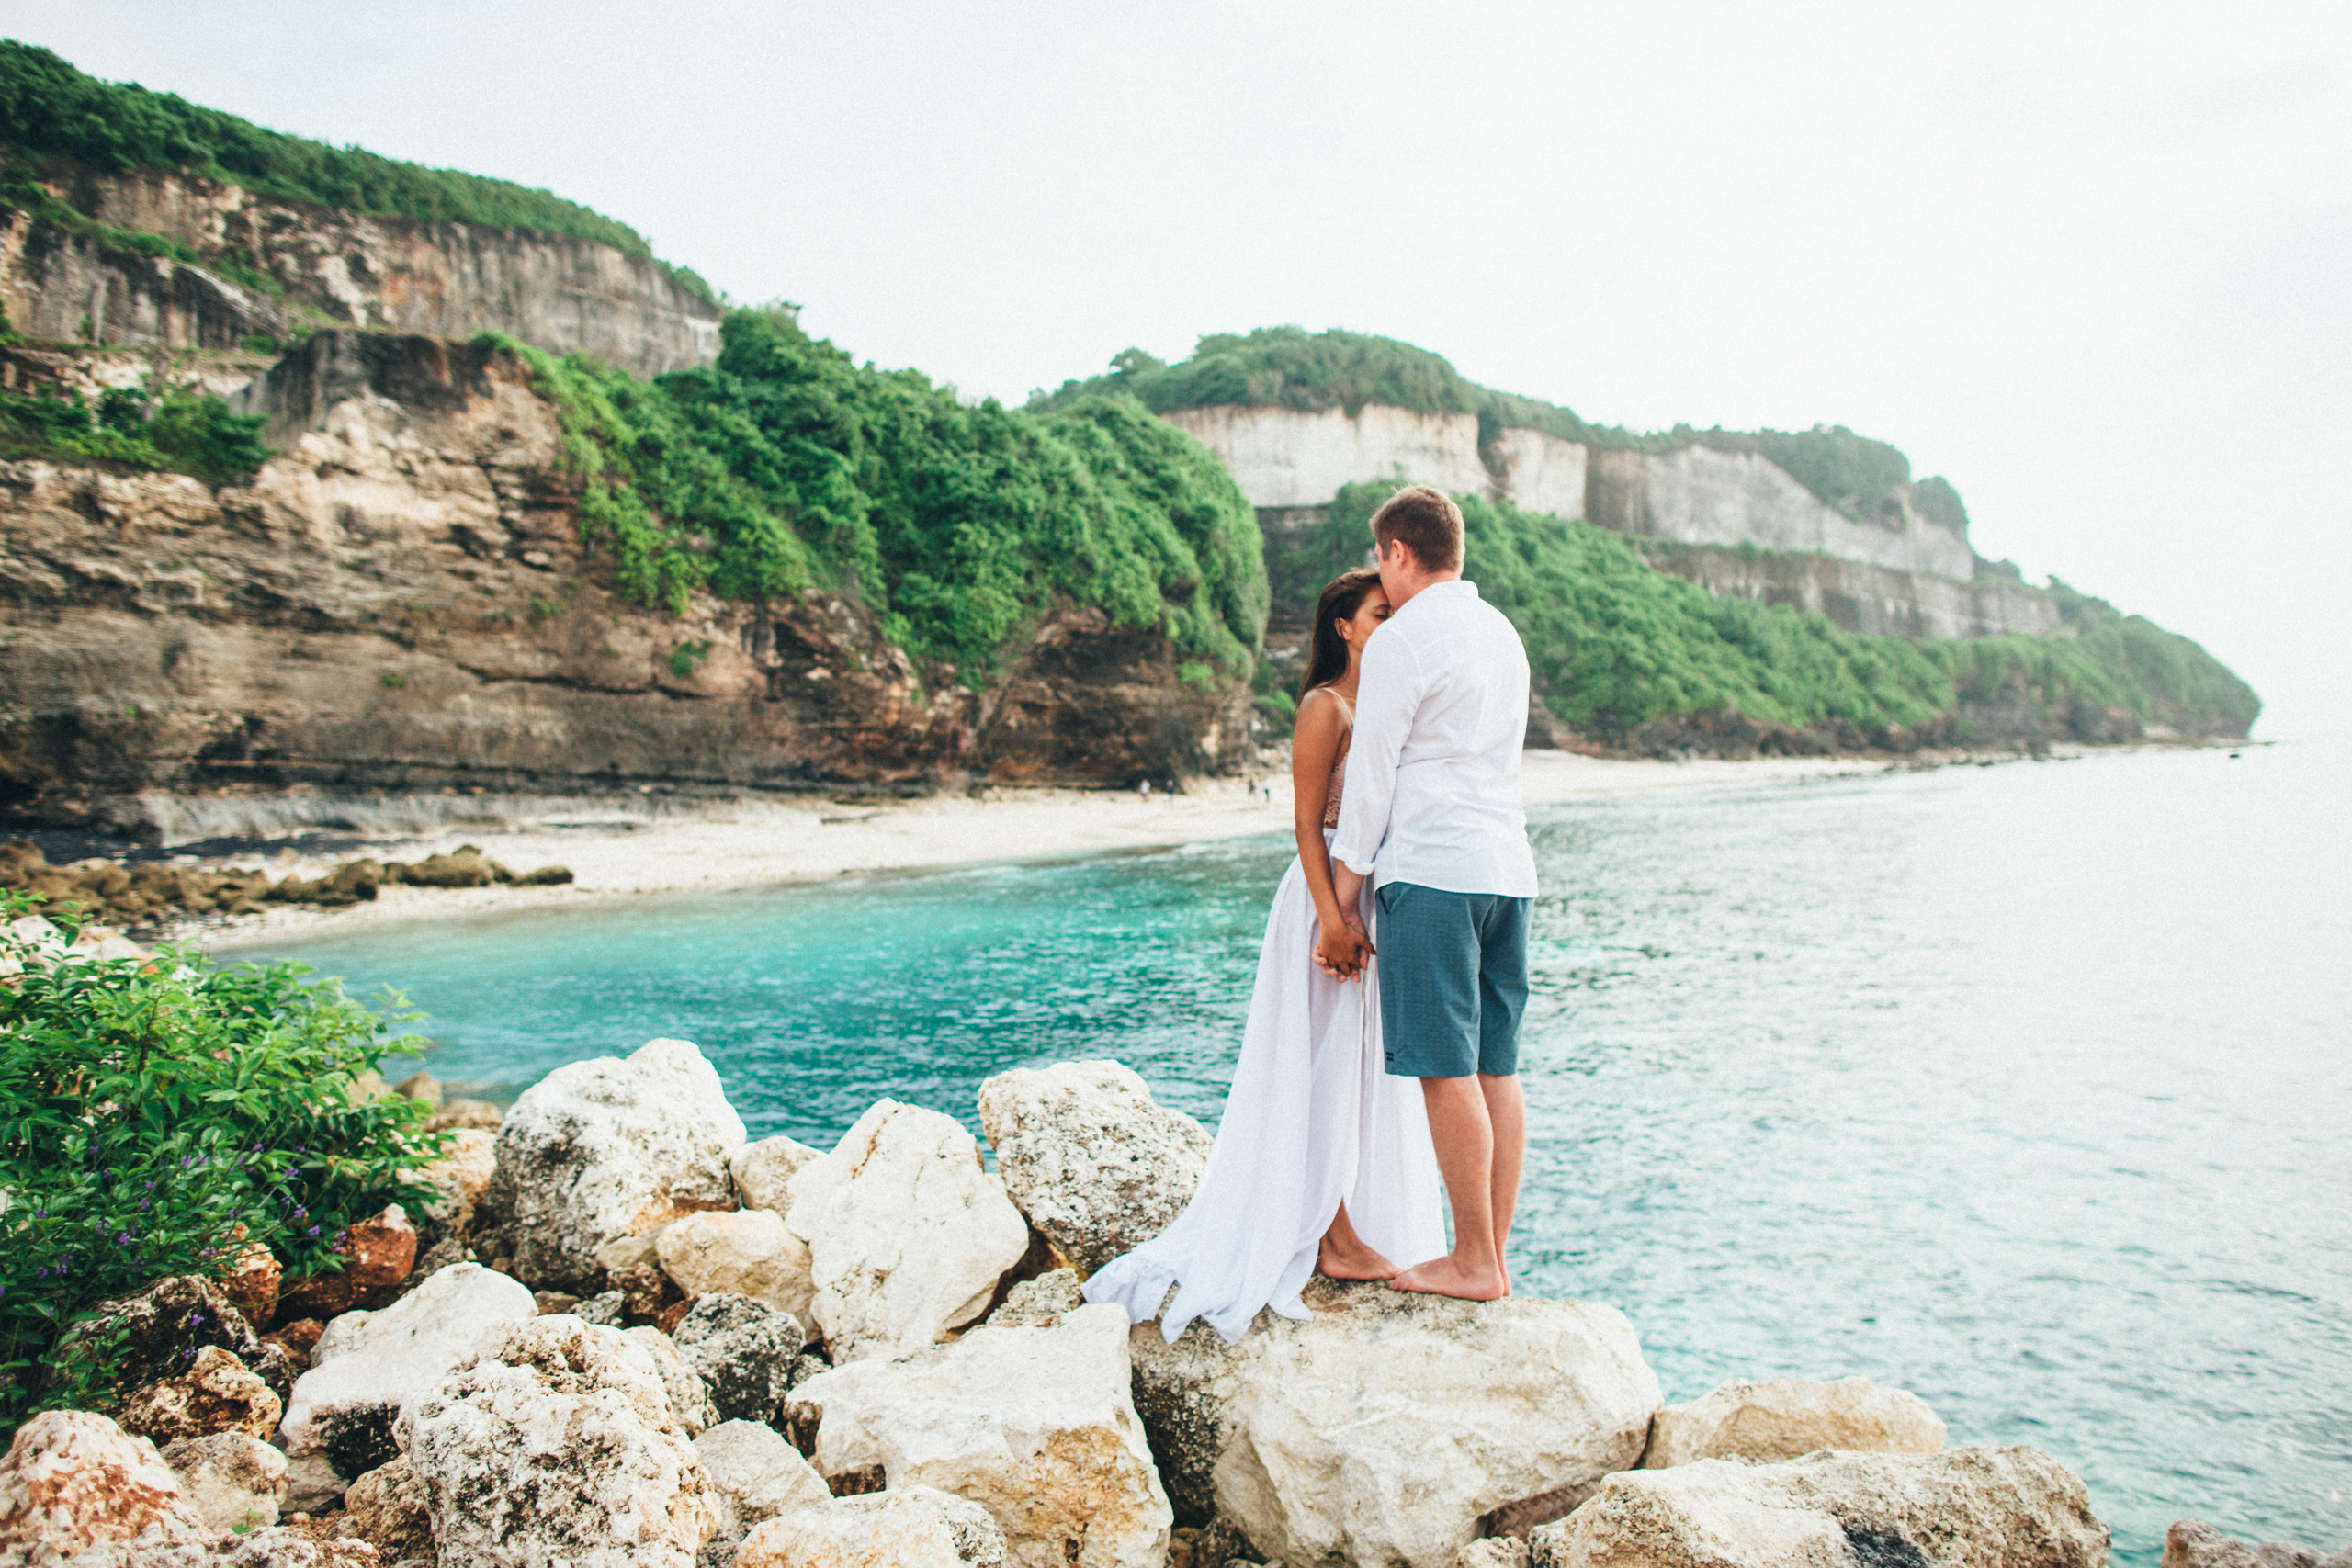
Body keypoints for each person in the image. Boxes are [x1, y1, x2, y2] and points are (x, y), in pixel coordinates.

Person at [1083, 568, 1446, 1343]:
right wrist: (1331, 918)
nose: (1393, 626)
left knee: (1362, 1069)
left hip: (1372, 896)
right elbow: (1308, 823)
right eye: (1380, 615)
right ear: (1343, 627)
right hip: (1324, 901)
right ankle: (1332, 1235)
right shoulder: (1326, 705)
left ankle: (1352, 1221)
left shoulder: (1387, 705)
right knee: (1318, 1059)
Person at [1326, 484, 1537, 1302]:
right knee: (1495, 1066)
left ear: (1398, 552)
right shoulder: (1502, 632)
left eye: (1381, 557)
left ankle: (1473, 1259)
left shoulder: (1404, 638)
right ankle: (1493, 1256)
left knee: (1446, 1070)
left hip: (1434, 871)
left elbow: (1372, 777)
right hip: (1506, 871)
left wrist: (1343, 896)